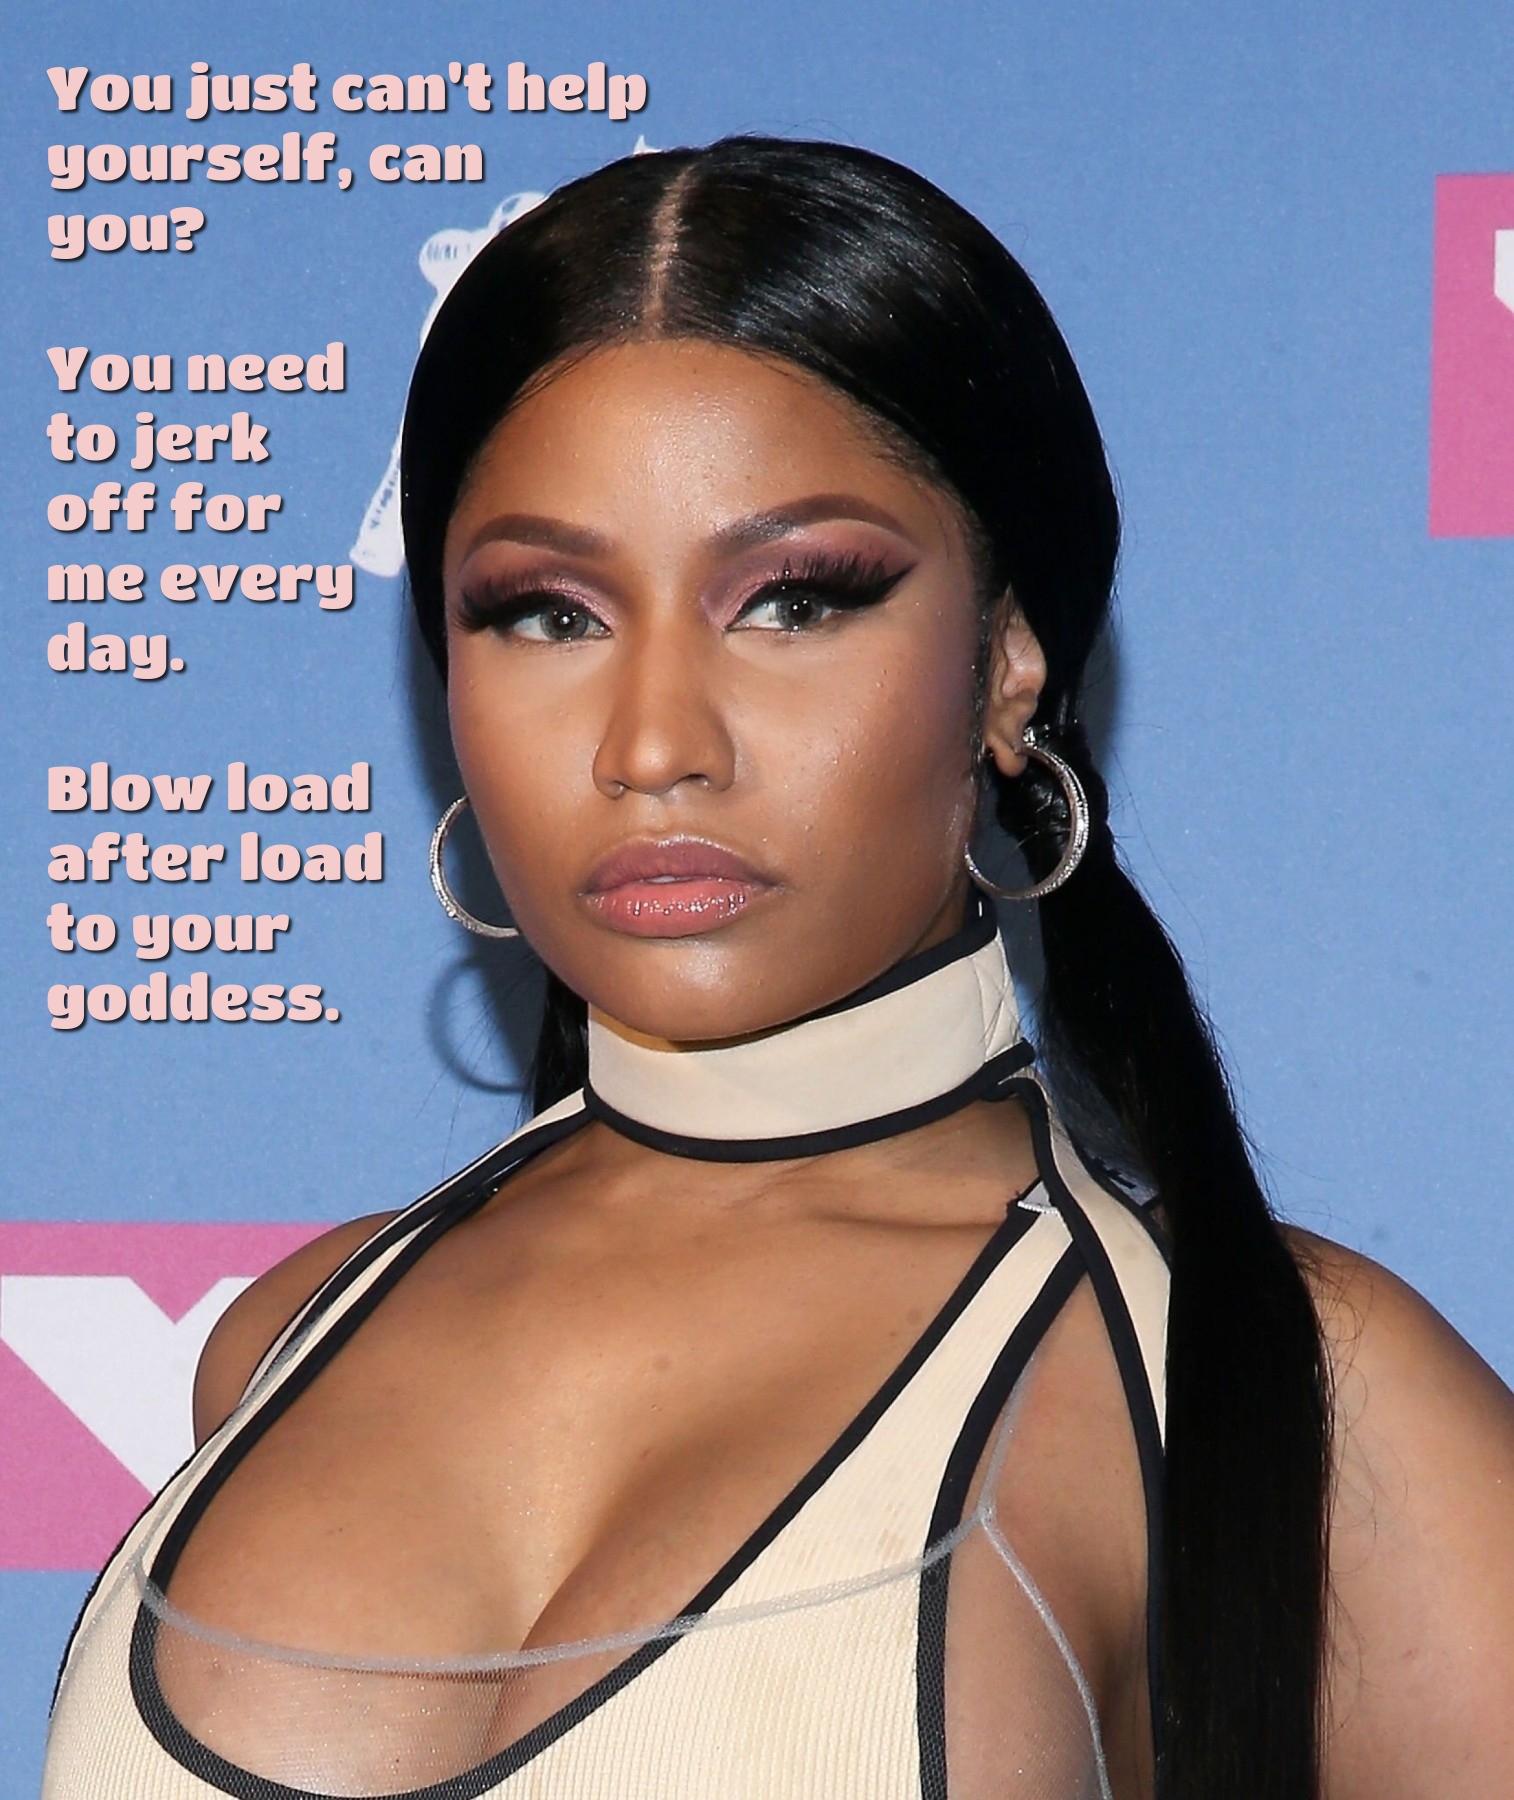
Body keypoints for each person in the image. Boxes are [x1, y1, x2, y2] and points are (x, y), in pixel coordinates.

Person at [42, 137, 1514, 1800]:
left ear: (1007, 661)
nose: (653, 743)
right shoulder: (277, 1341)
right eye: (546, 613)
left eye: (793, 603)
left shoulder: (1274, 1386)